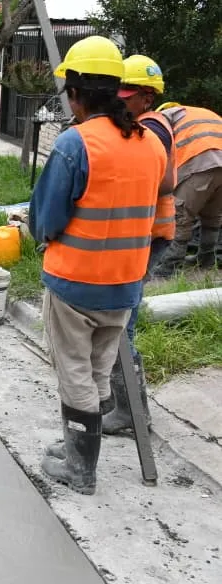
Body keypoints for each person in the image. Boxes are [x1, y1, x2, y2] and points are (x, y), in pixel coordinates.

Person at [29, 36, 166, 495]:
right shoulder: (150, 143)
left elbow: (47, 220)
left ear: (76, 93)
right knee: (99, 368)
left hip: (76, 282)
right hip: (125, 282)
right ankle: (77, 446)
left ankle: (80, 468)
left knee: (74, 374)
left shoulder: (76, 143)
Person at [100, 55, 176, 435]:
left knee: (122, 326)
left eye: (127, 96)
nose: (120, 101)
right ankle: (123, 403)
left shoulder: (152, 130)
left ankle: (131, 411)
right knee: (119, 321)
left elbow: (165, 182)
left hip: (146, 238)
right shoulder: (139, 126)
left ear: (147, 97)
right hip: (138, 237)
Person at [151, 101, 222, 275]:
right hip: (217, 161)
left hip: (200, 162)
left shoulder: (164, 118)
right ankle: (206, 260)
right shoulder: (202, 112)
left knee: (181, 214)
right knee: (212, 215)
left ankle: (168, 266)